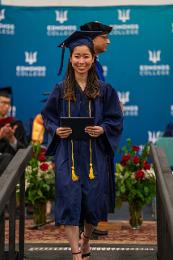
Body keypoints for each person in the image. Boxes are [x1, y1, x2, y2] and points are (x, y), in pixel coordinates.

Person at [41, 31, 123, 260]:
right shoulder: (60, 89)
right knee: (69, 200)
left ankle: (86, 239)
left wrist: (103, 128)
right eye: (77, 56)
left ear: (93, 58)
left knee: (93, 202)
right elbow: (48, 117)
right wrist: (56, 129)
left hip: (94, 154)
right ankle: (76, 253)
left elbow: (115, 118)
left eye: (86, 56)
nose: (81, 61)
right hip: (69, 154)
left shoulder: (105, 90)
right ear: (70, 58)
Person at [0, 86, 27, 175]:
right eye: (3, 103)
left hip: (9, 170)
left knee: (7, 157)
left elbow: (23, 152)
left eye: (8, 103)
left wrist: (12, 139)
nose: (6, 106)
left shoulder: (15, 124)